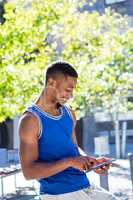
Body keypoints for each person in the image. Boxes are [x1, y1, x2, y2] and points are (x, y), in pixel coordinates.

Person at [19, 61, 113, 200]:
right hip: (59, 194)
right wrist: (69, 162)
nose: (71, 95)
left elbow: (74, 149)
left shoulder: (69, 113)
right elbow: (29, 173)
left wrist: (91, 163)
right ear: (51, 83)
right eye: (68, 90)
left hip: (85, 186)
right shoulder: (31, 120)